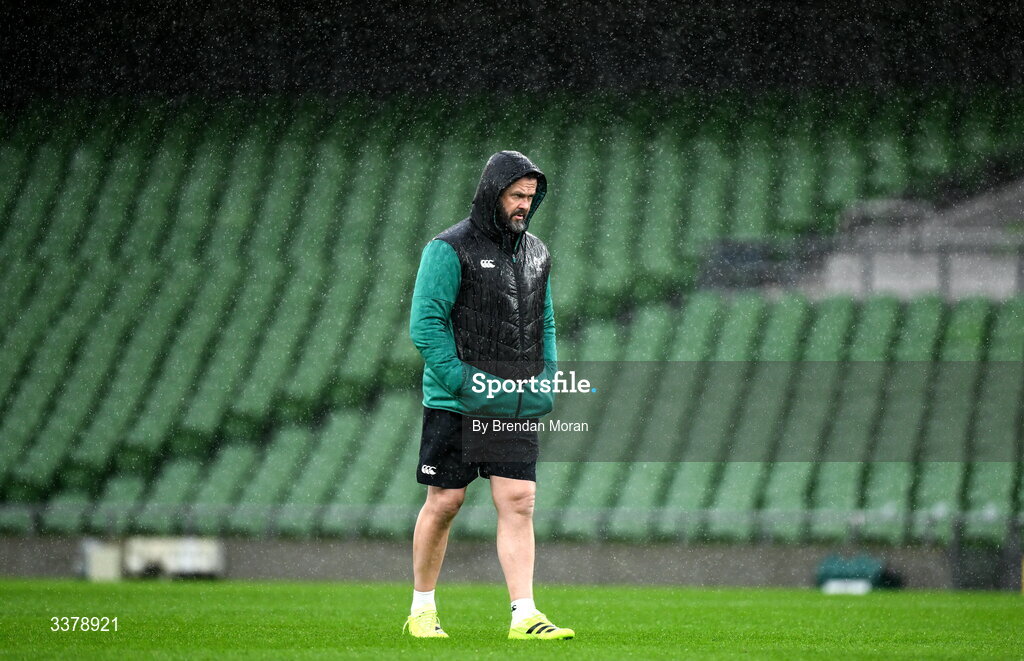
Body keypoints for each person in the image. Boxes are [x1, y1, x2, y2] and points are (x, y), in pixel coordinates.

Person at [405, 151, 574, 640]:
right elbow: (426, 325)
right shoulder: (447, 248)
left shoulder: (538, 252)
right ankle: (422, 610)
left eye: (530, 197)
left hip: (514, 402)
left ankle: (525, 615)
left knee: (519, 500)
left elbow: (545, 322)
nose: (524, 205)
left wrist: (546, 378)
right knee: (446, 501)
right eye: (516, 195)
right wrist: (463, 382)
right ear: (492, 193)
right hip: (455, 401)